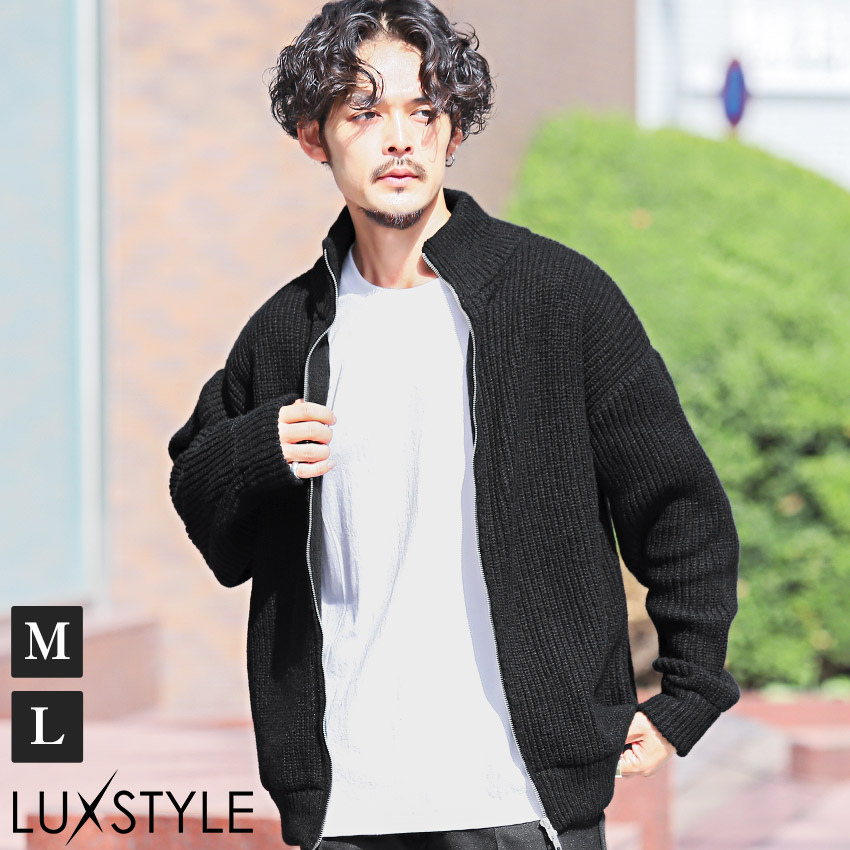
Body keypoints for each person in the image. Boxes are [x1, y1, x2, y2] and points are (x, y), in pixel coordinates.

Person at [167, 2, 741, 849]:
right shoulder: (288, 331)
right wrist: (257, 452)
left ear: (455, 130)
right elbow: (202, 500)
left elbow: (679, 503)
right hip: (347, 805)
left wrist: (688, 695)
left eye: (424, 111)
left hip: (518, 802)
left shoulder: (555, 298)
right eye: (365, 114)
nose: (400, 139)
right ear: (314, 138)